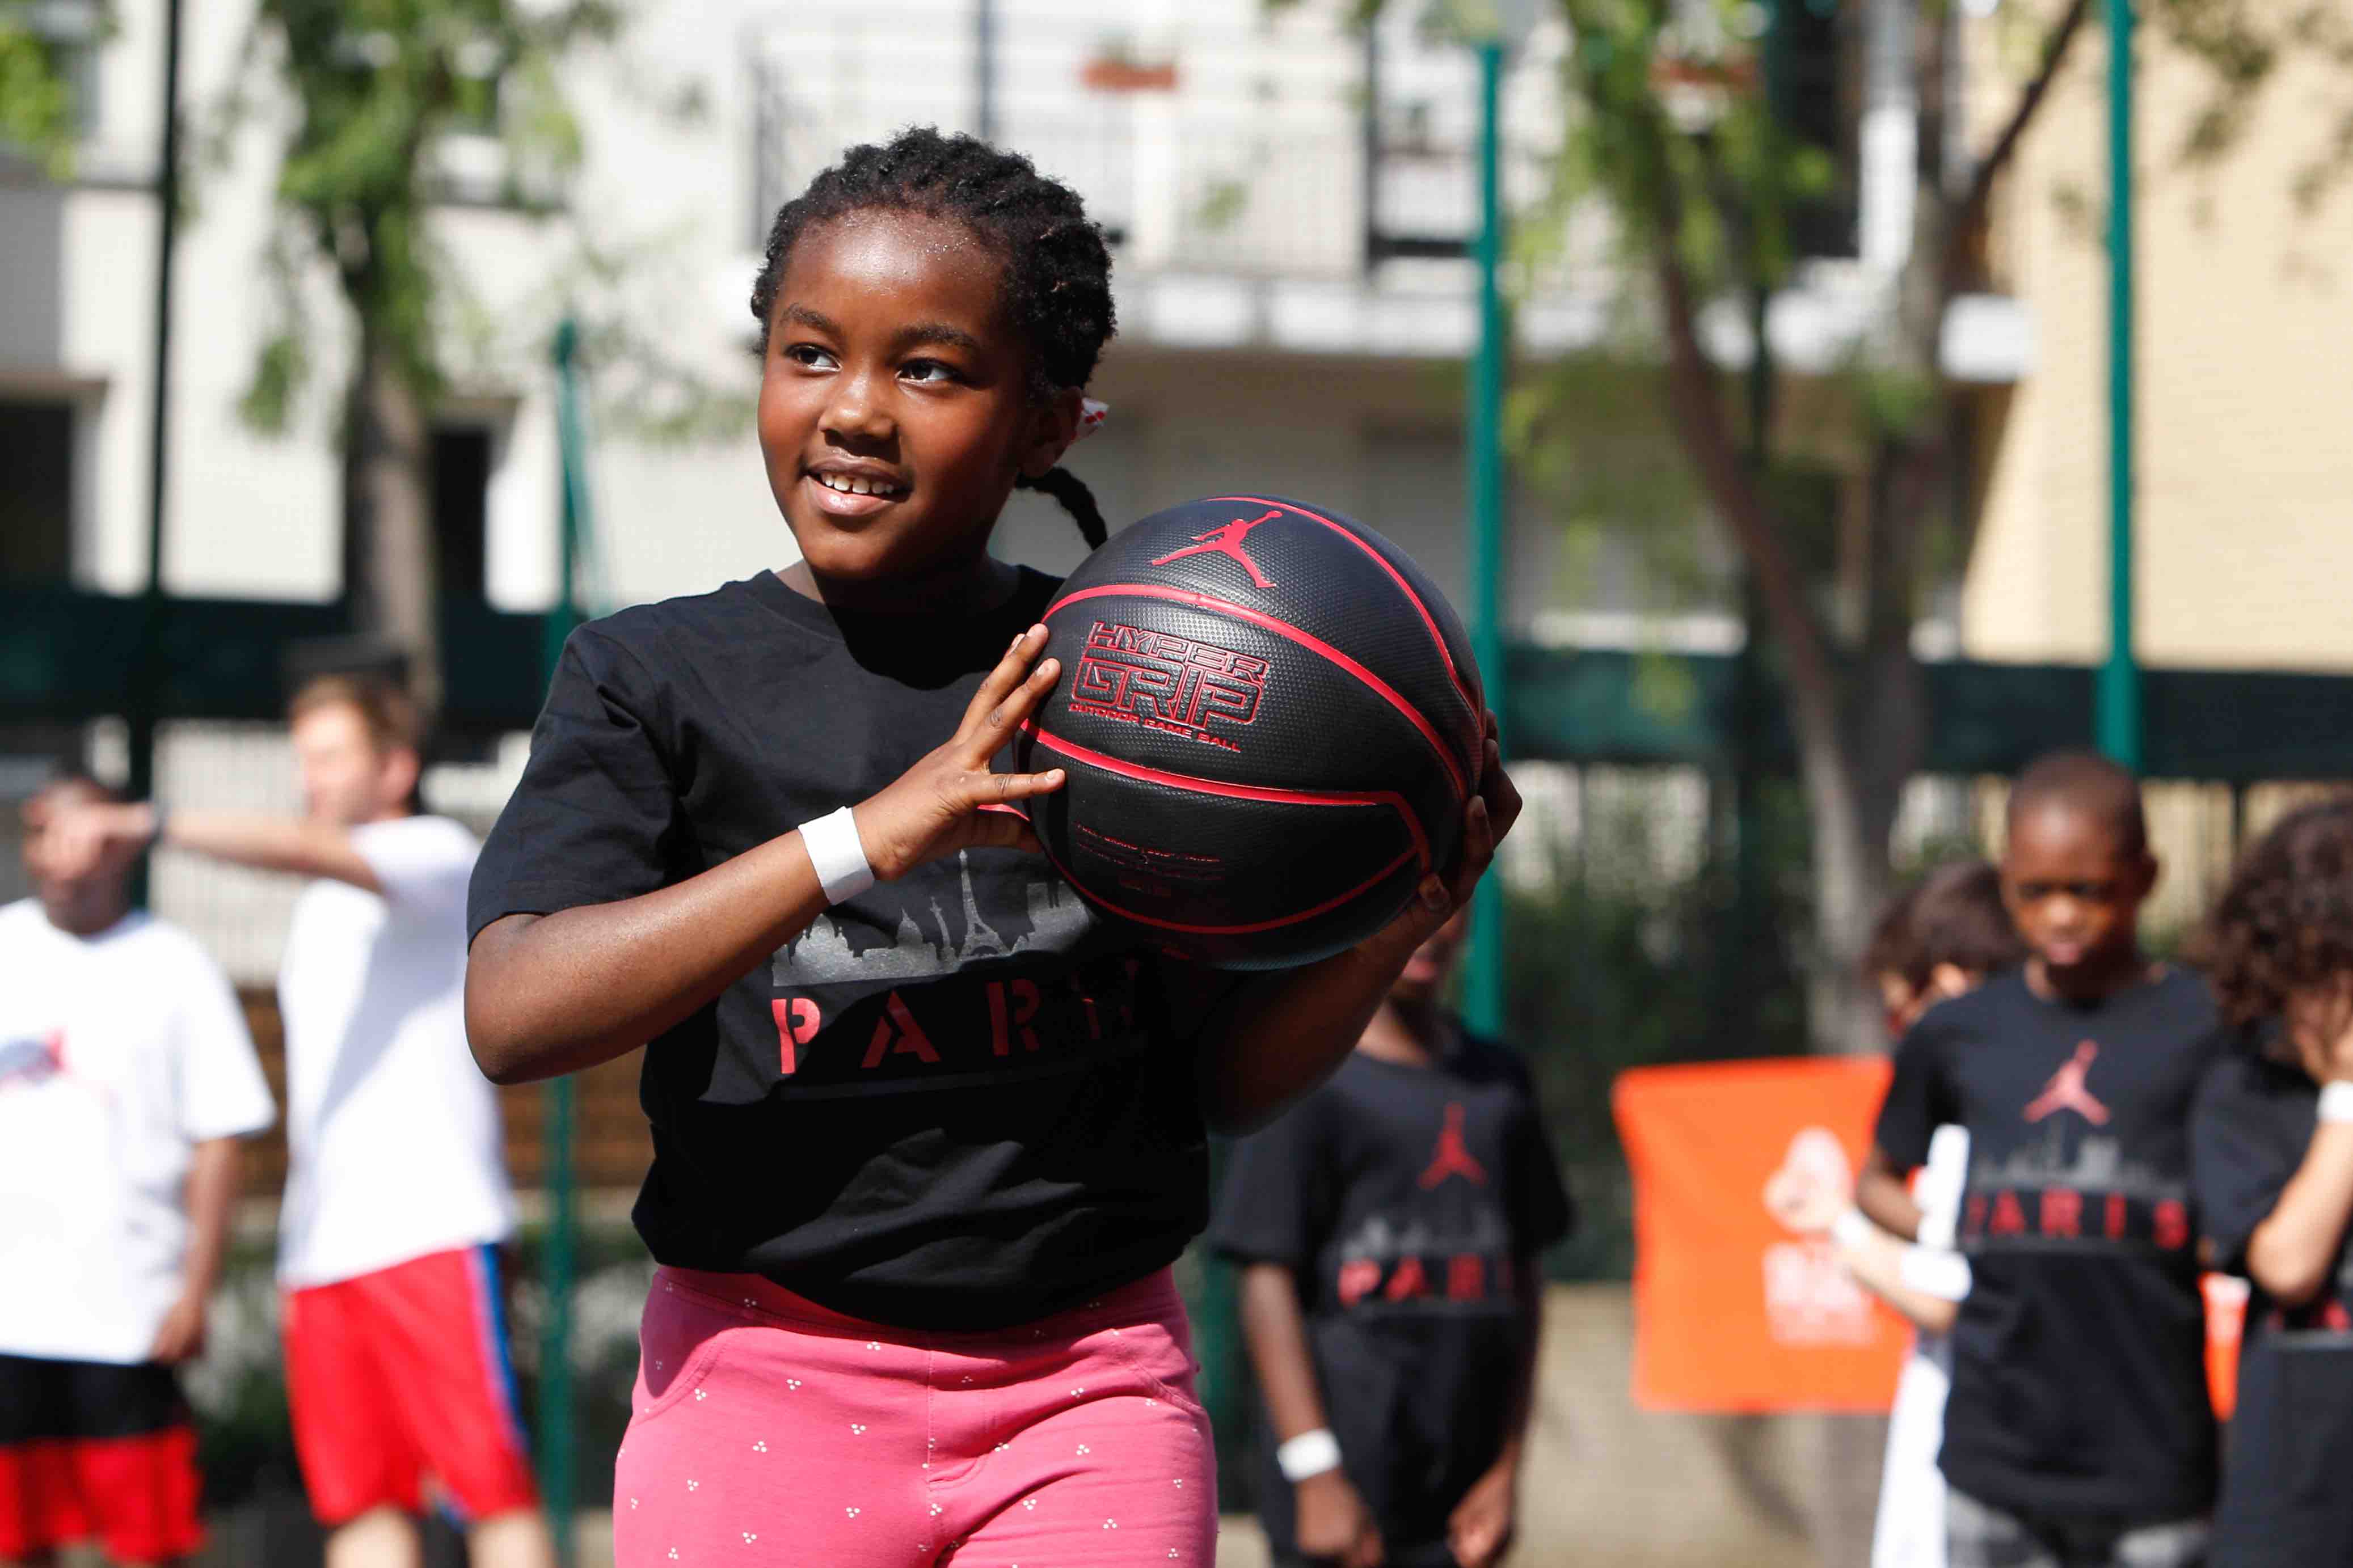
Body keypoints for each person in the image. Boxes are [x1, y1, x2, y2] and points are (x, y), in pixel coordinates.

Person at [459, 127, 1520, 1568]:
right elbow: (515, 1013)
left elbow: (1218, 1082)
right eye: (809, 353)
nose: (853, 411)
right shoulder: (657, 676)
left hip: (1084, 1391)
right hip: (762, 1377)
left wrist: (1392, 921)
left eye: (931, 369)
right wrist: (864, 838)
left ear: (1049, 423)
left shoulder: (1135, 683)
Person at [46, 677, 550, 1568]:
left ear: (395, 767)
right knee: (360, 1510)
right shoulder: (319, 907)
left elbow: (303, 849)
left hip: (433, 1234)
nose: (307, 778)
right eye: (301, 759)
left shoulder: (434, 854)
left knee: (491, 1495)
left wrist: (150, 824)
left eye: (328, 757)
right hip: (320, 1256)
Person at [1855, 751, 2222, 1568]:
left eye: (2087, 890)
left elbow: (2242, 1201)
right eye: (2036, 891)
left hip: (2154, 1462)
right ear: (2007, 880)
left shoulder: (2204, 1026)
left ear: (2146, 877)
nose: (2061, 915)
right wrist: (1962, 1226)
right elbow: (1876, 1180)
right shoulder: (1961, 1031)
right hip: (1994, 1461)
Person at [1208, 909, 1571, 1568]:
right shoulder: (1303, 1077)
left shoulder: (1500, 1082)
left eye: (1449, 901)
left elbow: (1524, 1277)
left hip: (1462, 1510)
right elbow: (1265, 1279)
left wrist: (1506, 1468)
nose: (1431, 925)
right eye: (1405, 902)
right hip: (1342, 1504)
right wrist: (1314, 1471)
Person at [0, 772, 275, 1568]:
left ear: (120, 842)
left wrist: (195, 1290)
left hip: (126, 1316)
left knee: (147, 1544)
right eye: (43, 834)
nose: (62, 854)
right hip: (10, 1320)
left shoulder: (176, 965)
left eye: (83, 832)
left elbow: (220, 1139)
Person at [1765, 858, 2025, 1568]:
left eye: (1899, 1013)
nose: (1899, 1036)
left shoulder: (1998, 1125)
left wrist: (1837, 1225)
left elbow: (1947, 1297)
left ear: (1948, 985)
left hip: (1985, 1474)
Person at [2187, 796, 2353, 1566]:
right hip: (2296, 1502)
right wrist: (2349, 1094)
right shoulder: (2246, 1085)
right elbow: (2288, 1264)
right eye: (2324, 971)